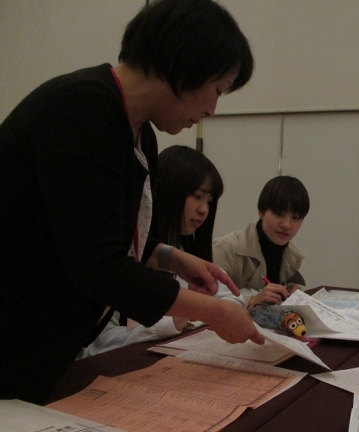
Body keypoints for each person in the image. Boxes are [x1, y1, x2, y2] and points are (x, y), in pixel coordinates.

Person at [0, 0, 264, 403]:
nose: (212, 109)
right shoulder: (81, 109)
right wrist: (212, 311)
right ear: (184, 64)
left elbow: (102, 231)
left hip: (44, 348)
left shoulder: (140, 133)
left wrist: (171, 257)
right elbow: (97, 264)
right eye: (217, 89)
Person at [78, 146, 244, 358]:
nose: (204, 209)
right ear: (166, 190)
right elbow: (96, 342)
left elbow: (232, 301)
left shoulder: (186, 253)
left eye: (209, 201)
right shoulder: (124, 254)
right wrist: (179, 316)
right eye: (197, 196)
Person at [212, 175, 310, 308]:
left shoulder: (294, 257)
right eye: (279, 214)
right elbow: (204, 301)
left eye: (296, 217)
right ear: (261, 212)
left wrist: (291, 291)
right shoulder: (226, 248)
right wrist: (252, 300)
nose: (287, 224)